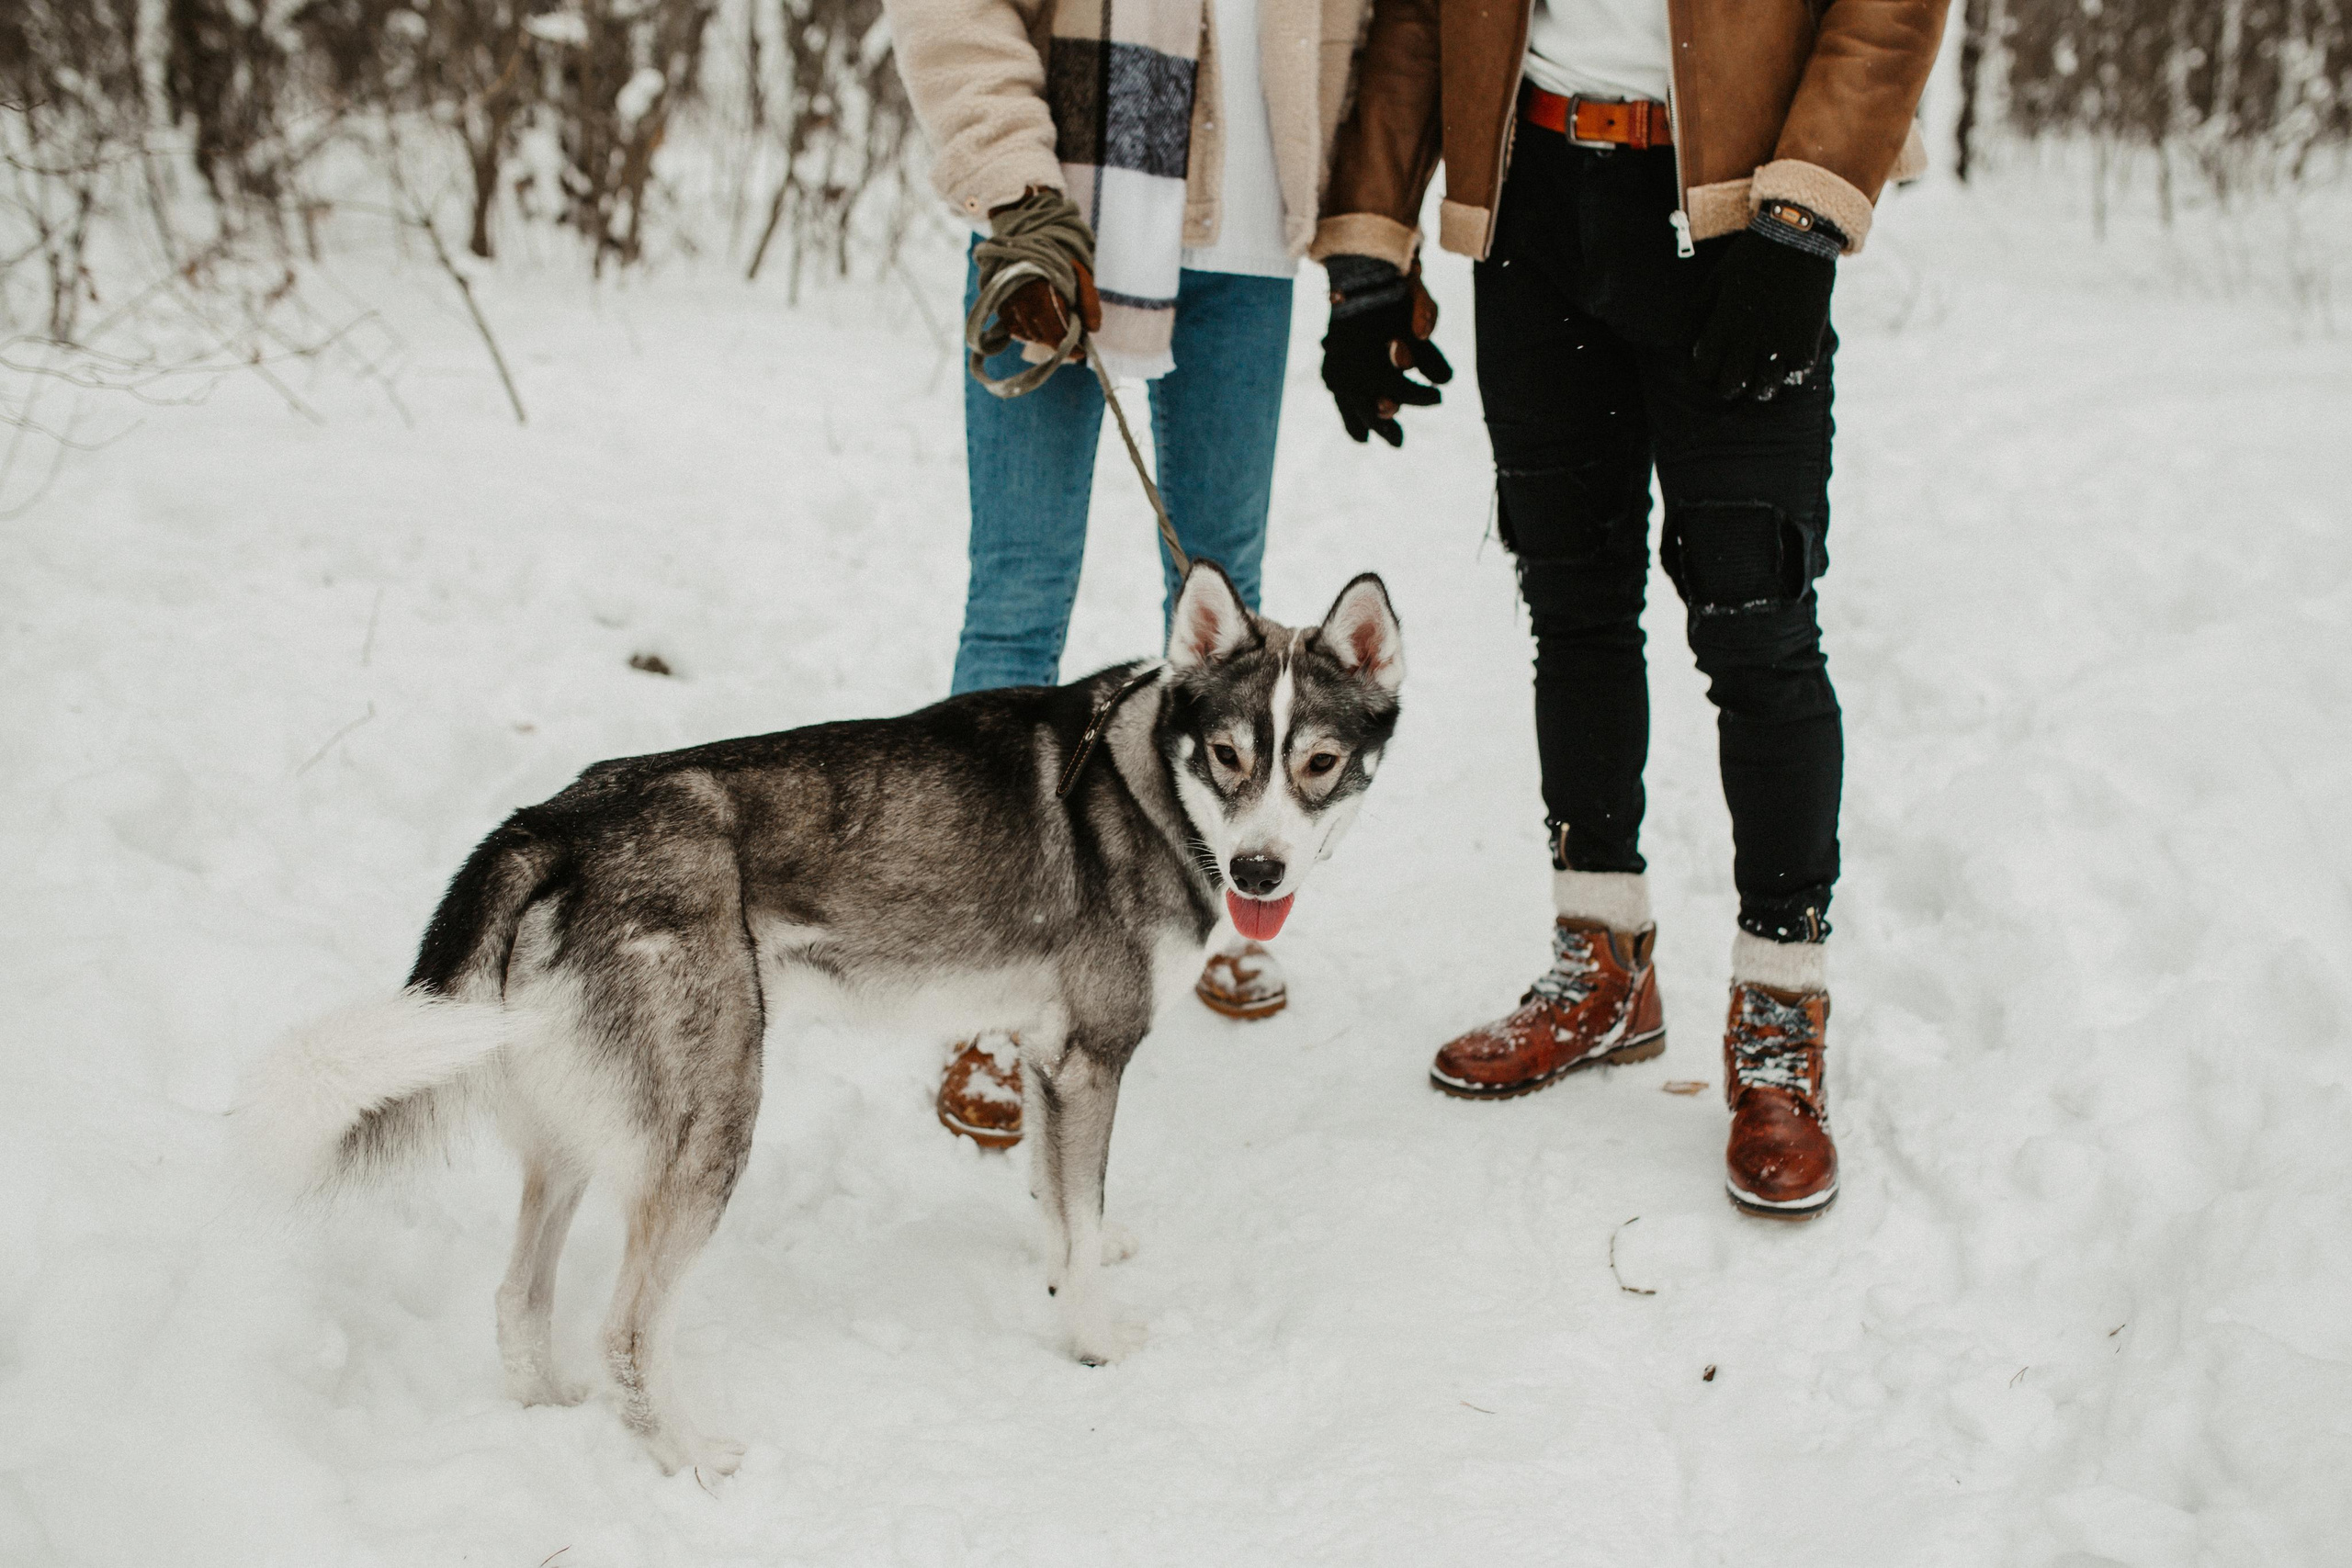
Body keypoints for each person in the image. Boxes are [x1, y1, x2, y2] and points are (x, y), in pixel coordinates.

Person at [1311, 0, 1947, 1216]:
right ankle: (1602, 965)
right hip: (1537, 208)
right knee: (1574, 602)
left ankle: (1777, 1019)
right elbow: (1412, 19)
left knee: (1755, 621)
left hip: (1735, 212)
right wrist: (1365, 254)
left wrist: (1805, 217)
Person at [887, 0, 1369, 1145]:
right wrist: (1015, 188)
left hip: (1249, 238)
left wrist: (1366, 235)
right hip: (1056, 223)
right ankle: (982, 969)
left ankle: (1212, 885)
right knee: (1016, 597)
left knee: (1224, 612)